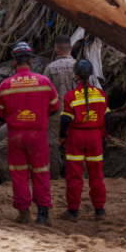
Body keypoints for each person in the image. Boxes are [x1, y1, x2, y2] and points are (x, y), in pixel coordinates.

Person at [0, 41, 59, 225]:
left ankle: (23, 214)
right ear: (31, 60)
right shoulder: (44, 82)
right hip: (38, 136)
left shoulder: (5, 85)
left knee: (19, 174)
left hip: (15, 136)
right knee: (41, 173)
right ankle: (42, 215)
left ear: (14, 61)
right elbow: (54, 109)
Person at [59, 59, 110, 222]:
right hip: (95, 136)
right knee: (96, 175)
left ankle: (73, 212)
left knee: (74, 175)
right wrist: (105, 136)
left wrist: (62, 139)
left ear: (76, 75)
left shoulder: (70, 96)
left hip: (76, 137)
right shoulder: (101, 95)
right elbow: (107, 117)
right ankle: (99, 210)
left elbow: (66, 120)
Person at [43, 34, 75, 179]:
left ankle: (55, 178)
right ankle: (75, 175)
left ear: (56, 49)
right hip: (76, 115)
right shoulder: (79, 66)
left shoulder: (49, 69)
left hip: (56, 115)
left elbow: (45, 95)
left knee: (53, 147)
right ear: (71, 48)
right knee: (75, 146)